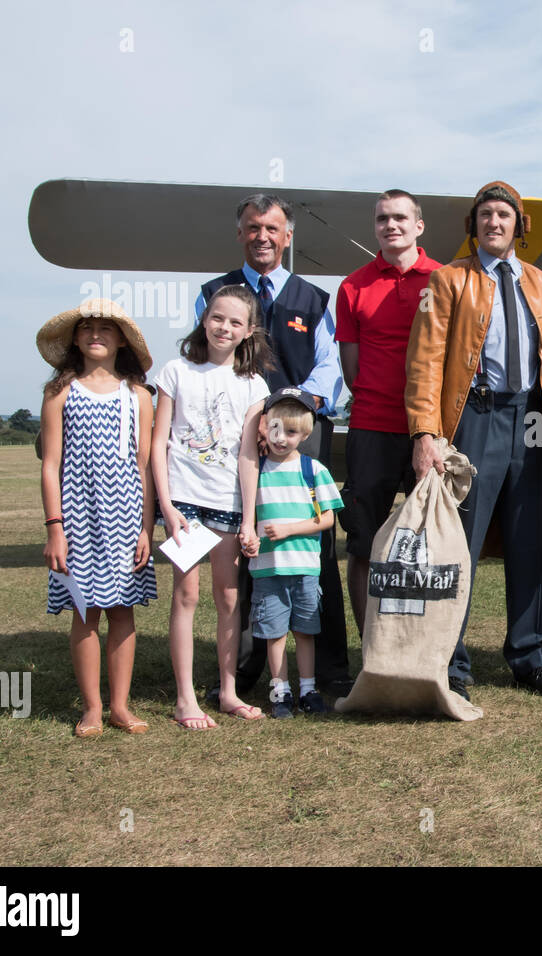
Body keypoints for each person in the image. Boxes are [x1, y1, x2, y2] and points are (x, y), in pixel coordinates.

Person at [405, 181, 542, 701]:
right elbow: (425, 361)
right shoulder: (447, 279)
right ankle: (450, 660)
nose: (493, 222)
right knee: (460, 542)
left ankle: (530, 657)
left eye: (504, 215)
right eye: (485, 215)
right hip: (474, 416)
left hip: (532, 417)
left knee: (532, 537)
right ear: (473, 225)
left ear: (520, 226)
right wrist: (424, 432)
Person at [196, 194, 351, 699]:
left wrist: (296, 406)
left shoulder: (314, 298)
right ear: (240, 233)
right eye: (252, 227)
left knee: (315, 550)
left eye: (273, 228)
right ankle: (243, 672)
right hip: (236, 442)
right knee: (243, 549)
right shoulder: (214, 293)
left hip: (301, 437)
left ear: (287, 237)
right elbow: (206, 361)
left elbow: (329, 367)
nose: (262, 236)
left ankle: (324, 672)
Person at [38, 300, 157, 737]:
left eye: (106, 328)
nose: (95, 334)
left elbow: (144, 467)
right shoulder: (60, 392)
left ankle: (120, 706)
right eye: (86, 328)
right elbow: (50, 464)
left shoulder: (139, 396)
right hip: (76, 518)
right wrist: (55, 528)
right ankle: (91, 707)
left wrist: (146, 529)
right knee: (84, 612)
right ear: (74, 338)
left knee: (122, 611)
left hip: (126, 518)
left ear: (121, 338)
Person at [154, 285, 271, 727]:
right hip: (184, 502)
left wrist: (248, 519)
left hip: (227, 503)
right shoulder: (175, 371)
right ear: (205, 319)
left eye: (235, 322)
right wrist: (166, 507)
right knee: (186, 594)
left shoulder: (253, 384)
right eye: (218, 318)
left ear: (249, 331)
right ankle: (185, 698)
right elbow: (158, 444)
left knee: (228, 596)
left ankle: (228, 690)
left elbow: (248, 455)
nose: (225, 327)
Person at [334, 190, 441, 642]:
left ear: (419, 225)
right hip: (372, 428)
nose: (390, 225)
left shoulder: (444, 279)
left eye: (400, 217)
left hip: (430, 431)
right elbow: (351, 368)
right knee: (364, 544)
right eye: (382, 219)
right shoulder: (352, 286)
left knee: (429, 546)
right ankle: (371, 651)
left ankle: (422, 650)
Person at [237, 389, 345, 718]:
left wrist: (289, 529)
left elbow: (327, 519)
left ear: (306, 434)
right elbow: (250, 519)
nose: (281, 439)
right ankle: (280, 689)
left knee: (306, 629)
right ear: (264, 428)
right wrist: (250, 539)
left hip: (305, 568)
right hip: (267, 569)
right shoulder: (255, 473)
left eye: (291, 432)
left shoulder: (314, 471)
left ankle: (308, 690)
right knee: (274, 632)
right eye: (275, 429)